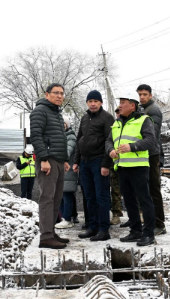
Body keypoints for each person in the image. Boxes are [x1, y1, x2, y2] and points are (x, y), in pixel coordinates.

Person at [106, 92, 157, 246]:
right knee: (128, 201)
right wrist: (110, 151)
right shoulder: (117, 123)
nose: (119, 106)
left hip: (139, 167)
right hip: (122, 167)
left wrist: (132, 147)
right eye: (119, 103)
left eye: (123, 103)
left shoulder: (144, 120)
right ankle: (135, 230)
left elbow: (151, 141)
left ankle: (149, 234)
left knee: (144, 200)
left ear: (132, 105)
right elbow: (109, 141)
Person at [30, 83, 71, 249]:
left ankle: (51, 231)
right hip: (48, 161)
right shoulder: (40, 111)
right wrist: (44, 158)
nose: (59, 96)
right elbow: (36, 136)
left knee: (56, 198)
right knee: (47, 198)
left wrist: (64, 159)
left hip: (58, 161)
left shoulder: (56, 113)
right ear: (47, 95)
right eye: (56, 93)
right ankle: (45, 236)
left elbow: (59, 138)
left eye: (62, 93)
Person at [73, 90, 115, 242]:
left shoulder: (107, 118)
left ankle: (104, 230)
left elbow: (110, 142)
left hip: (99, 161)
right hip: (85, 162)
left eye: (95, 101)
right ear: (87, 103)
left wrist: (106, 164)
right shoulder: (84, 118)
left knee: (101, 196)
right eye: (90, 101)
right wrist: (76, 161)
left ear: (101, 103)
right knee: (89, 196)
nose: (92, 103)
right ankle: (93, 226)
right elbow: (79, 140)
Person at [137, 84, 167, 235]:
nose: (142, 97)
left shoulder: (153, 110)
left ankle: (159, 224)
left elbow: (151, 135)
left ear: (150, 95)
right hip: (145, 154)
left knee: (154, 189)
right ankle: (150, 221)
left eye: (144, 94)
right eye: (140, 94)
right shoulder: (143, 109)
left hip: (152, 154)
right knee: (147, 189)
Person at [56, 116, 78, 229]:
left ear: (67, 125)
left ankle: (67, 218)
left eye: (63, 123)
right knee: (62, 195)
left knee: (66, 195)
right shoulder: (60, 136)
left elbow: (67, 152)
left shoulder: (70, 137)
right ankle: (66, 217)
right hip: (62, 170)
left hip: (67, 170)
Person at [110, 108, 124, 225]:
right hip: (115, 163)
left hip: (131, 162)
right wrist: (110, 150)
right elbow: (109, 140)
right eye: (117, 113)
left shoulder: (132, 123)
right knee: (115, 190)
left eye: (120, 112)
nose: (118, 114)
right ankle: (116, 214)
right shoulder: (114, 125)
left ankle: (139, 214)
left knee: (133, 191)